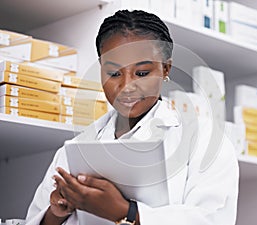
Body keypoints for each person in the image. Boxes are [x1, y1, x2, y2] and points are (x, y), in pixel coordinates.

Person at [25, 10, 239, 225]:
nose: (126, 86)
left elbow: (211, 219)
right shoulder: (75, 149)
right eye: (114, 73)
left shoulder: (204, 141)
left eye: (142, 73)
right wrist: (55, 214)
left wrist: (127, 212)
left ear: (166, 69)